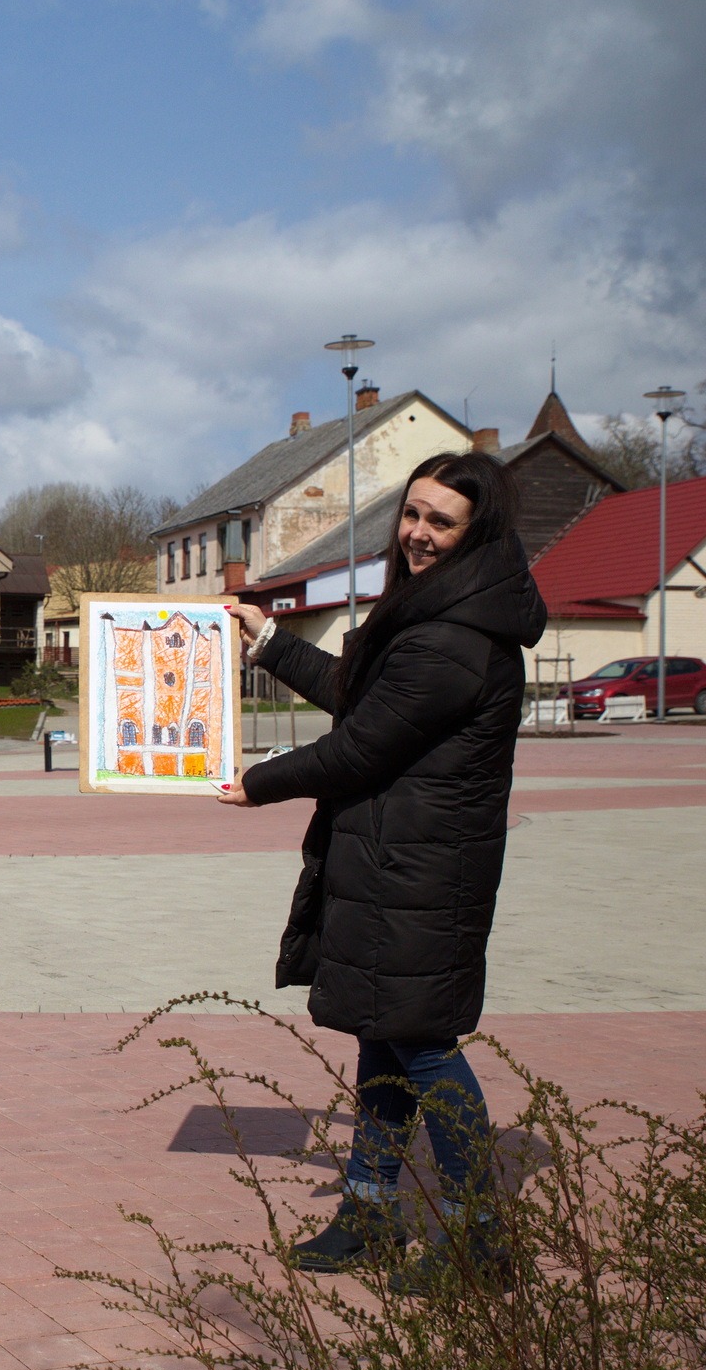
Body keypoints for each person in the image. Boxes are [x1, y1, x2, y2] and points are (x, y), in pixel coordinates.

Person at [218, 451, 545, 1287]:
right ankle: (367, 1211)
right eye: (412, 513)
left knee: (424, 1046)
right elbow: (361, 694)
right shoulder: (434, 615)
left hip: (422, 872)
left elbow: (360, 744)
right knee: (385, 1036)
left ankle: (478, 1244)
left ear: (476, 533)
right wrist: (270, 642)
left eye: (440, 520)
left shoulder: (455, 637)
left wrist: (256, 783)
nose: (417, 533)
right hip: (394, 862)